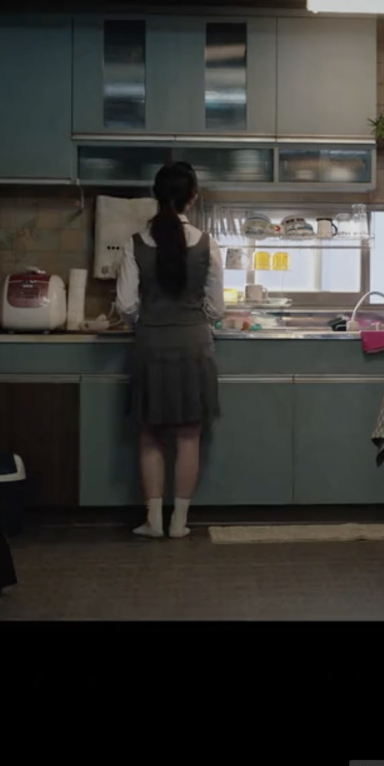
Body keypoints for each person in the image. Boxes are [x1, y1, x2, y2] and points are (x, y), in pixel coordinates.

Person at [115, 162, 224, 539]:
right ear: (192, 198)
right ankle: (179, 523)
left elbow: (127, 306)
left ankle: (153, 521)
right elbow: (217, 309)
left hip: (151, 345)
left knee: (150, 435)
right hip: (195, 346)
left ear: (156, 195)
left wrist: (150, 322)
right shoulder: (208, 244)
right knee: (188, 436)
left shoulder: (135, 243)